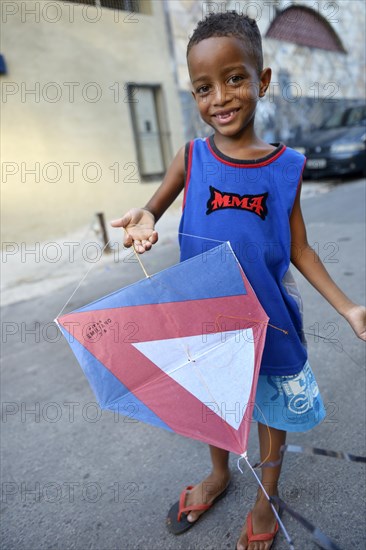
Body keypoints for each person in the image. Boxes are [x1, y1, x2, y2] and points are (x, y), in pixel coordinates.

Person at [111, 11, 366, 550]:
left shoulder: (287, 166)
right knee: (215, 405)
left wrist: (349, 308)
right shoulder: (191, 158)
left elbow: (299, 247)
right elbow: (152, 210)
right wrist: (144, 221)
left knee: (272, 407)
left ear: (263, 80)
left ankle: (265, 495)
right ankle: (220, 475)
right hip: (206, 319)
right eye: (204, 86)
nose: (220, 97)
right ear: (194, 92)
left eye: (234, 79)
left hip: (269, 320)